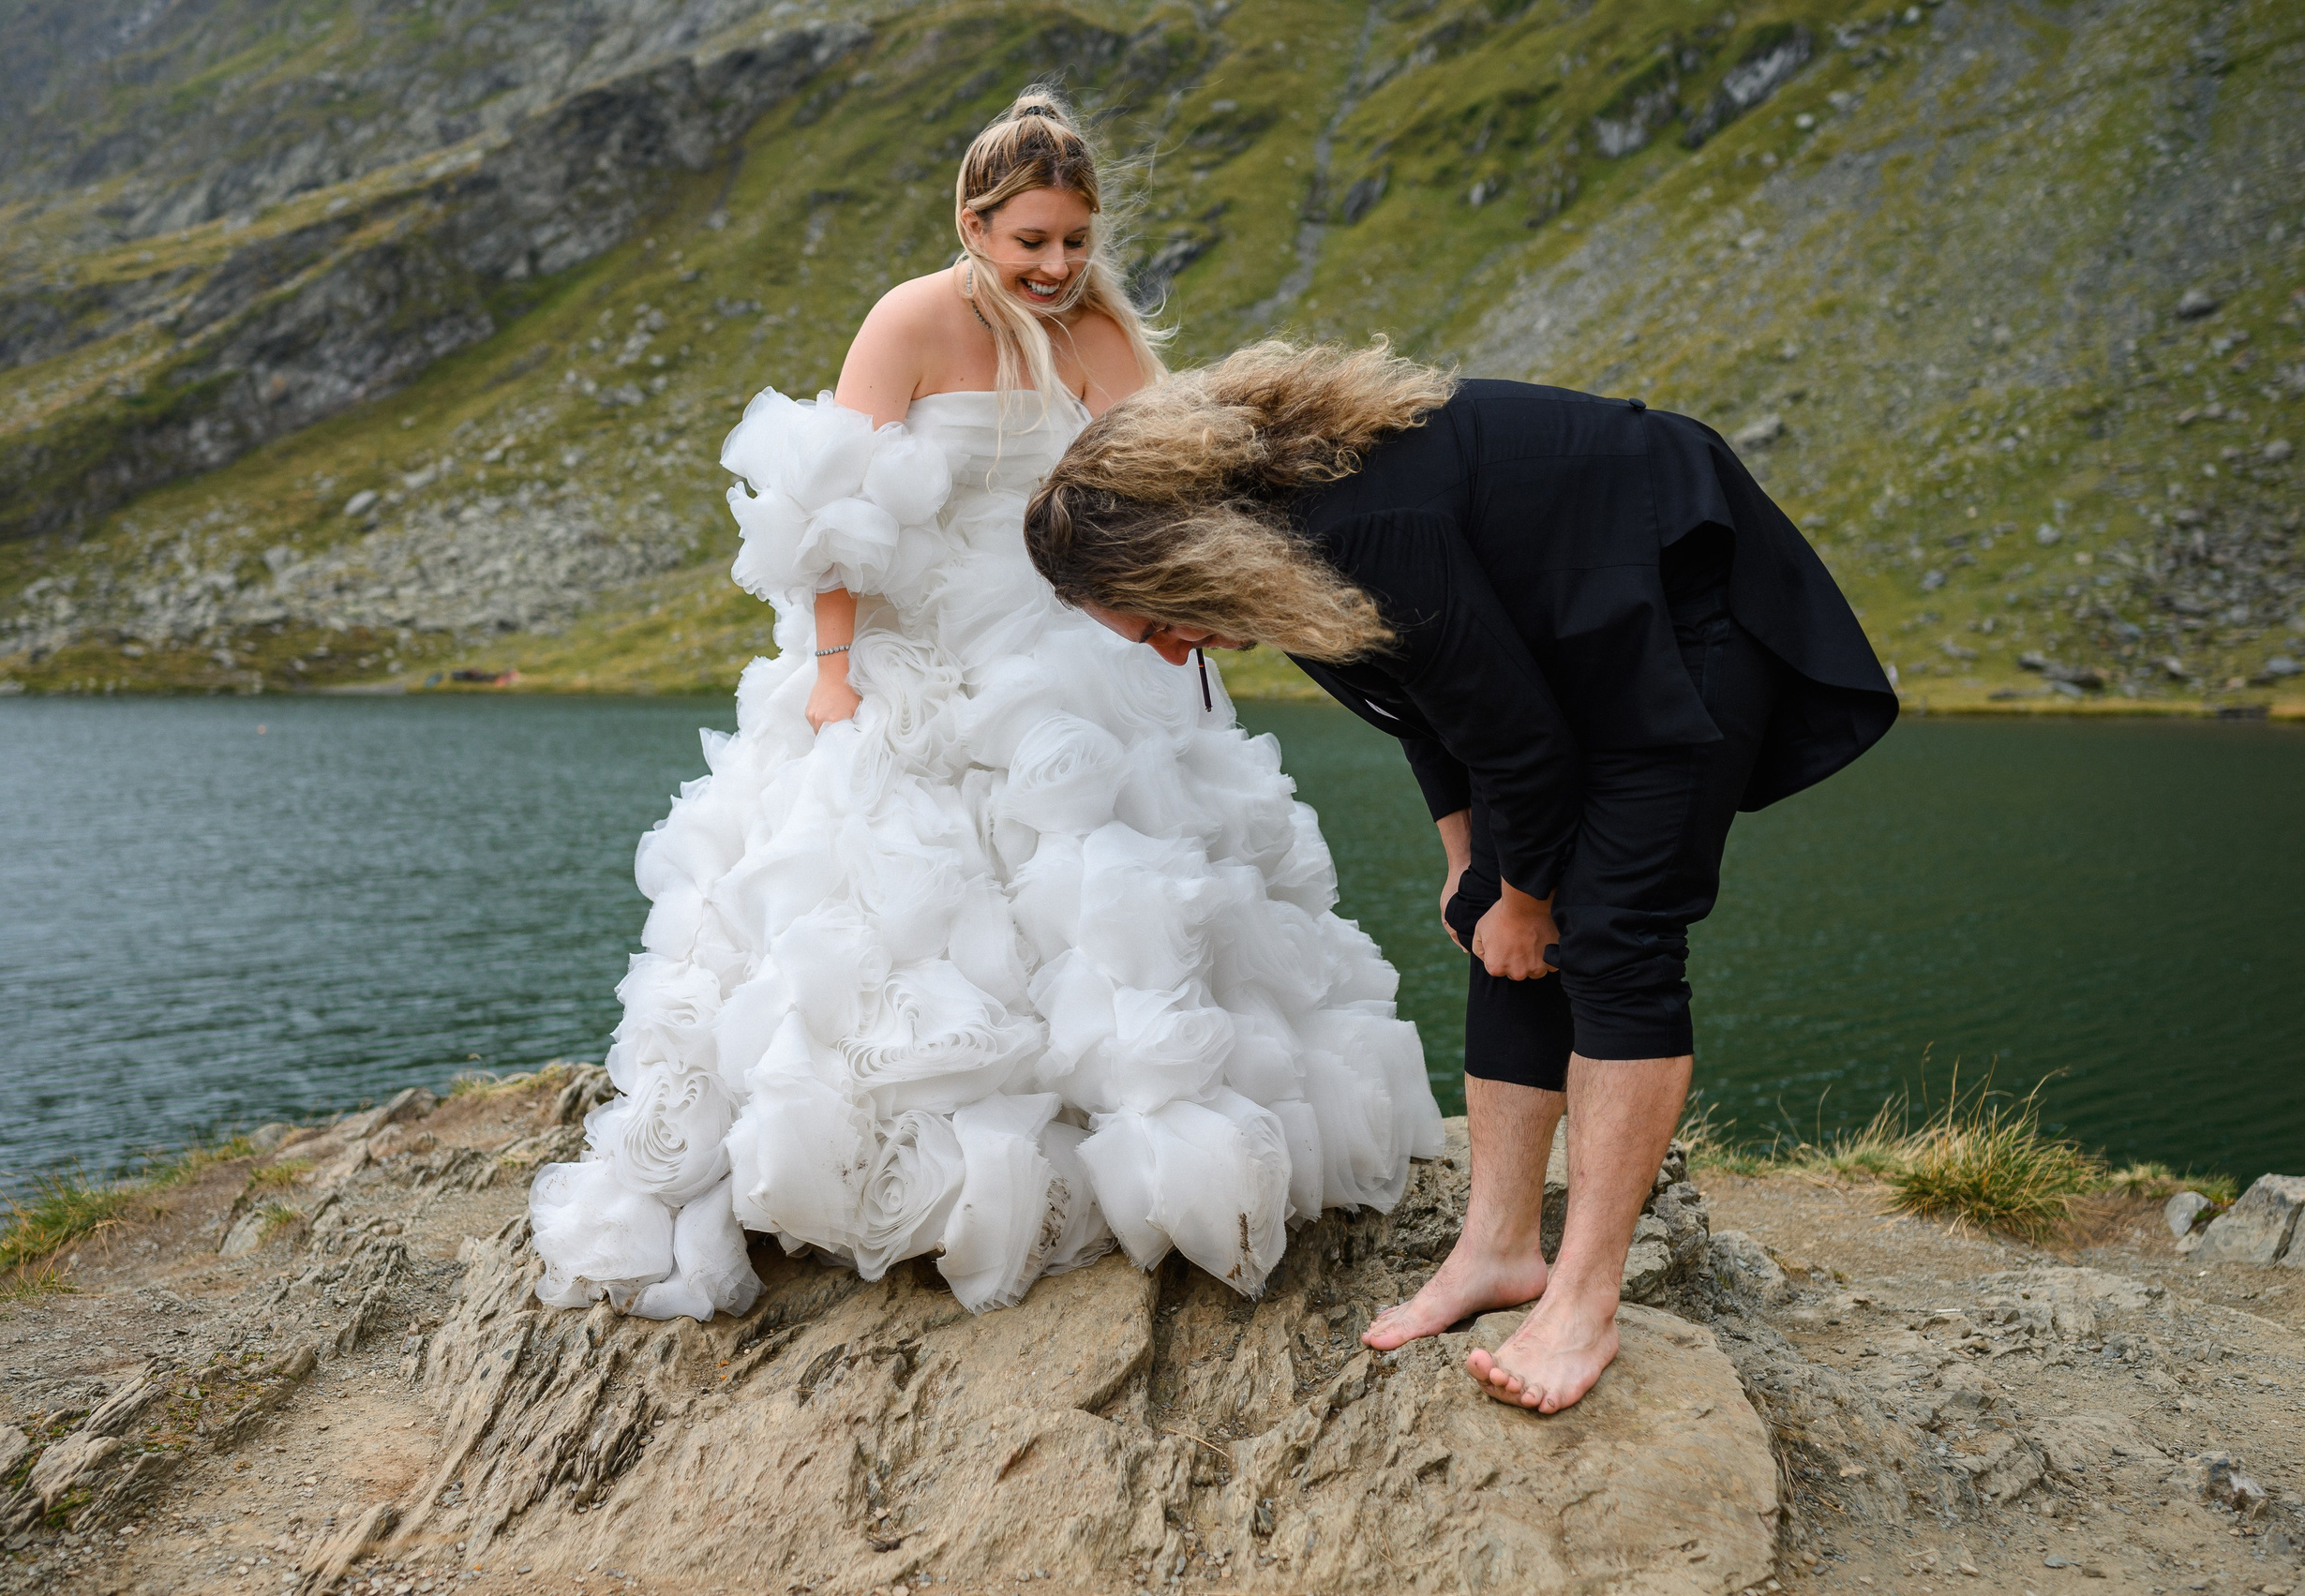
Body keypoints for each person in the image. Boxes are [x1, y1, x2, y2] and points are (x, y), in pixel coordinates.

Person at [527, 98, 1444, 1323]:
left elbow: (1169, 493)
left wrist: (1200, 635)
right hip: (920, 651)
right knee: (891, 910)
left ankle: (1144, 1142)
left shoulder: (1106, 331)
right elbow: (834, 515)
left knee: (1127, 898)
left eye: (1074, 238)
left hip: (1085, 647)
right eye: (1031, 243)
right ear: (975, 224)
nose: (1057, 267)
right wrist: (836, 671)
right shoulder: (912, 321)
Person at [1024, 341, 1896, 1411]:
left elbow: (1521, 742)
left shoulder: (1359, 528)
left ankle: (1583, 1298)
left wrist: (1525, 894)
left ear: (1192, 548)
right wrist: (1469, 867)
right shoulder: (1266, 551)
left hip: (1679, 597)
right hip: (1558, 625)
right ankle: (1498, 1250)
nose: (1170, 652)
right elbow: (1425, 702)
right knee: (1500, 913)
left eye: (1163, 619)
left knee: (1616, 928)